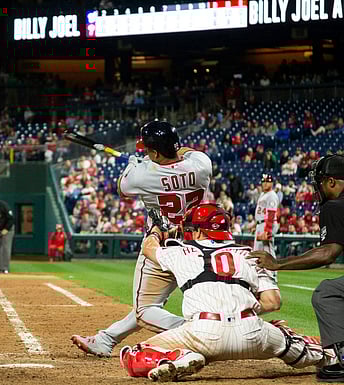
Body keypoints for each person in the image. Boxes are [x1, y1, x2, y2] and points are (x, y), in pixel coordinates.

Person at [120, 203, 338, 381]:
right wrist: (237, 311)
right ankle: (329, 357)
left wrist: (157, 230)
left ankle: (181, 355)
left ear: (198, 230)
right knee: (290, 342)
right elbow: (273, 302)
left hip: (203, 333)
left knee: (134, 355)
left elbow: (149, 249)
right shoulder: (252, 255)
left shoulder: (179, 252)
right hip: (252, 332)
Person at [71, 120, 212, 357]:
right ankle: (106, 338)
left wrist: (135, 165)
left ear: (155, 152)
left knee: (145, 310)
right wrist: (150, 159)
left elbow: (121, 187)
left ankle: (196, 333)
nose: (144, 152)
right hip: (198, 245)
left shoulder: (141, 176)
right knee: (151, 304)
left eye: (148, 149)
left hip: (161, 245)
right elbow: (184, 153)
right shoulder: (202, 165)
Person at [249, 154, 344, 383]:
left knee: (327, 293)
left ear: (331, 182)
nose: (318, 188)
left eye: (320, 182)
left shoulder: (335, 205)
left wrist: (278, 263)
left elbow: (328, 253)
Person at [253, 174, 281, 312]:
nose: (265, 184)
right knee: (259, 254)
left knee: (267, 252)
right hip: (260, 224)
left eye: (267, 181)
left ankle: (271, 277)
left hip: (266, 225)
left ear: (272, 183)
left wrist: (267, 230)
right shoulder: (263, 195)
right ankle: (261, 278)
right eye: (263, 181)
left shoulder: (271, 195)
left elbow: (271, 213)